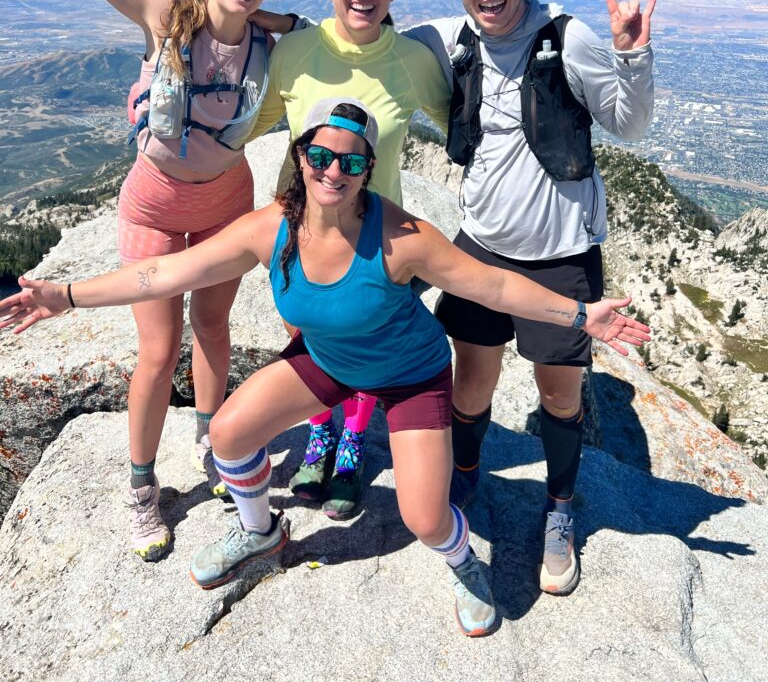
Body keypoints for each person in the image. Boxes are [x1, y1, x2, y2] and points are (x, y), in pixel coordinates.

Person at [0, 99, 650, 637]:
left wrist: (578, 315)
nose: (332, 170)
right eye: (318, 154)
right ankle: (260, 530)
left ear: (369, 168)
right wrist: (66, 295)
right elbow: (164, 271)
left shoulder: (401, 236)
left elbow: (494, 288)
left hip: (411, 376)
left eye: (351, 160)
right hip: (329, 362)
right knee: (226, 435)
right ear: (299, 157)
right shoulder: (270, 228)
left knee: (427, 518)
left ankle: (463, 563)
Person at [0, 0, 286, 562]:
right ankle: (140, 488)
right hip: (153, 205)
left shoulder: (273, 42)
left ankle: (214, 441)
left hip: (226, 203)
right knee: (158, 353)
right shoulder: (164, 16)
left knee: (213, 327)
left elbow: (359, 29)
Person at [405, 0, 656, 597]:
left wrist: (632, 56)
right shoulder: (451, 38)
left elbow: (629, 124)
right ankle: (463, 478)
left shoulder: (564, 35)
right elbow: (366, 49)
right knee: (471, 385)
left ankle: (561, 509)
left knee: (558, 396)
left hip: (561, 254)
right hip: (482, 251)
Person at [249, 0, 452, 518]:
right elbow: (250, 123)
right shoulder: (295, 51)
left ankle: (352, 442)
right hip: (302, 228)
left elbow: (463, 125)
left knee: (367, 343)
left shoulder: (411, 62)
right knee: (309, 333)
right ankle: (320, 433)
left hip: (379, 238)